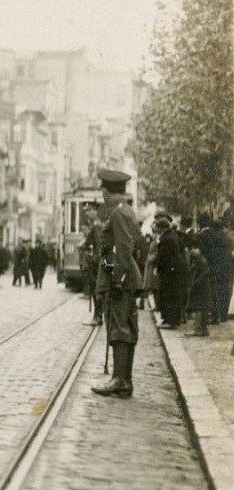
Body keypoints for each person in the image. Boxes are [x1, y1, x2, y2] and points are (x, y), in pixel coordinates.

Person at [91, 169, 142, 398]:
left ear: (107, 191)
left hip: (120, 280)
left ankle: (119, 379)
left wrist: (117, 279)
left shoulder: (118, 214)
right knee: (126, 328)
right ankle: (125, 380)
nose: (101, 193)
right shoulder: (125, 211)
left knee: (119, 329)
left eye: (102, 189)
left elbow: (121, 249)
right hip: (125, 278)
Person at [185, 246, 210, 338]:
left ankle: (199, 330)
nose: (191, 251)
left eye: (193, 249)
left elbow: (204, 273)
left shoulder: (201, 261)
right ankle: (203, 329)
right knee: (201, 308)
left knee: (199, 308)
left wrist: (195, 283)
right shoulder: (199, 259)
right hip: (201, 287)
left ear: (198, 249)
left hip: (200, 288)